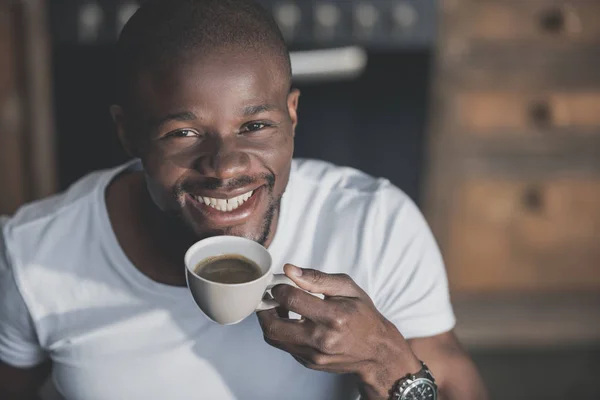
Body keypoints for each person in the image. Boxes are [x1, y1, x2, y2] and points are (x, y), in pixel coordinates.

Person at [0, 1, 489, 399]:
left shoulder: (374, 225)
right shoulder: (35, 255)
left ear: (292, 115)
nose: (227, 167)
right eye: (184, 132)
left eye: (254, 126)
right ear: (128, 132)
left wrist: (386, 361)